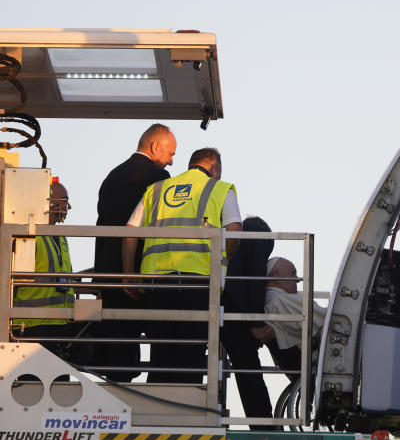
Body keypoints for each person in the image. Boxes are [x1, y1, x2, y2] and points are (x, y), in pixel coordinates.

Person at [122, 147, 240, 384]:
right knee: (191, 353)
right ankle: (186, 411)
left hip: (157, 283)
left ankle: (156, 409)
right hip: (200, 283)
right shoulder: (219, 188)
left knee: (160, 352)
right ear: (214, 167)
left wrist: (128, 276)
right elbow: (235, 231)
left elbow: (129, 233)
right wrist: (223, 259)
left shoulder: (156, 190)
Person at [93, 123, 176, 381]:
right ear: (154, 147)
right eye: (171, 153)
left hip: (108, 270)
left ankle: (116, 400)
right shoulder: (159, 180)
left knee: (117, 339)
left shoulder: (112, 176)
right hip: (141, 272)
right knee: (160, 335)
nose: (172, 162)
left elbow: (101, 225)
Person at [11, 181, 76, 358]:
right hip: (32, 325)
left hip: (60, 324)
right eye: (64, 200)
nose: (68, 206)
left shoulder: (60, 237)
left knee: (59, 384)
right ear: (48, 202)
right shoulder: (28, 235)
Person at [221, 216, 274, 429]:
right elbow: (255, 279)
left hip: (215, 300)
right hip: (238, 310)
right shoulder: (258, 237)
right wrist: (257, 322)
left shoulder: (232, 235)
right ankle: (263, 424)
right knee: (248, 369)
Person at [262, 257, 325, 381]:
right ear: (276, 276)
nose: (297, 279)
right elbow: (325, 319)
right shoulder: (279, 300)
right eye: (293, 273)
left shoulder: (278, 297)